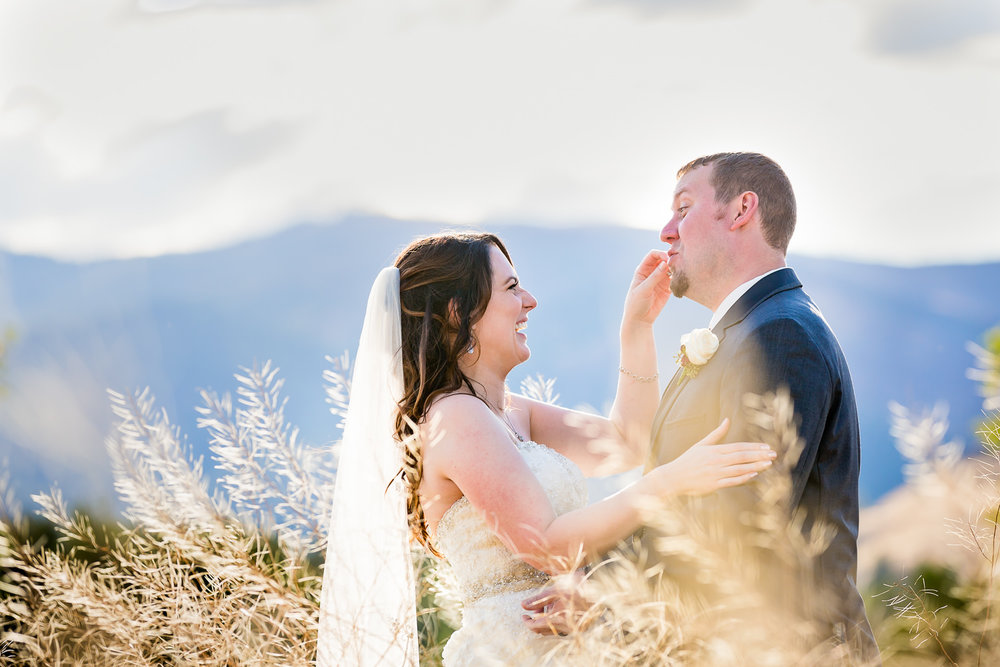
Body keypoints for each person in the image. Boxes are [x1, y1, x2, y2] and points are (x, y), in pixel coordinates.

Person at [316, 232, 777, 666]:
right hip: (517, 651)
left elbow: (626, 443)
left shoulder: (511, 413)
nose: (530, 301)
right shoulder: (456, 417)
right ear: (457, 312)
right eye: (512, 288)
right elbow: (546, 544)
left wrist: (636, 327)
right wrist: (669, 483)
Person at [526, 153, 878, 662]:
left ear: (741, 210)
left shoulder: (781, 335)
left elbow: (741, 531)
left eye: (683, 208)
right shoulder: (749, 330)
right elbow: (676, 500)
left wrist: (604, 601)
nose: (666, 231)